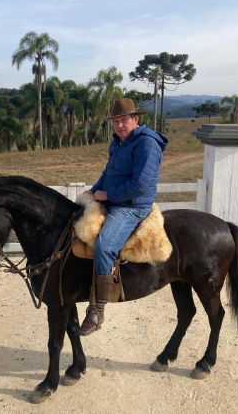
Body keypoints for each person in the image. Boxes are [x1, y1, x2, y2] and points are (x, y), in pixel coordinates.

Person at [79, 98, 168, 336]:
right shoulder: (119, 142)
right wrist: (94, 190)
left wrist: (106, 195)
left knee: (104, 247)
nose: (119, 125)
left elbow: (139, 185)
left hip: (131, 206)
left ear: (136, 119)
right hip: (114, 199)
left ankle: (97, 311)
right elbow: (109, 173)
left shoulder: (146, 145)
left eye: (124, 120)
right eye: (116, 121)